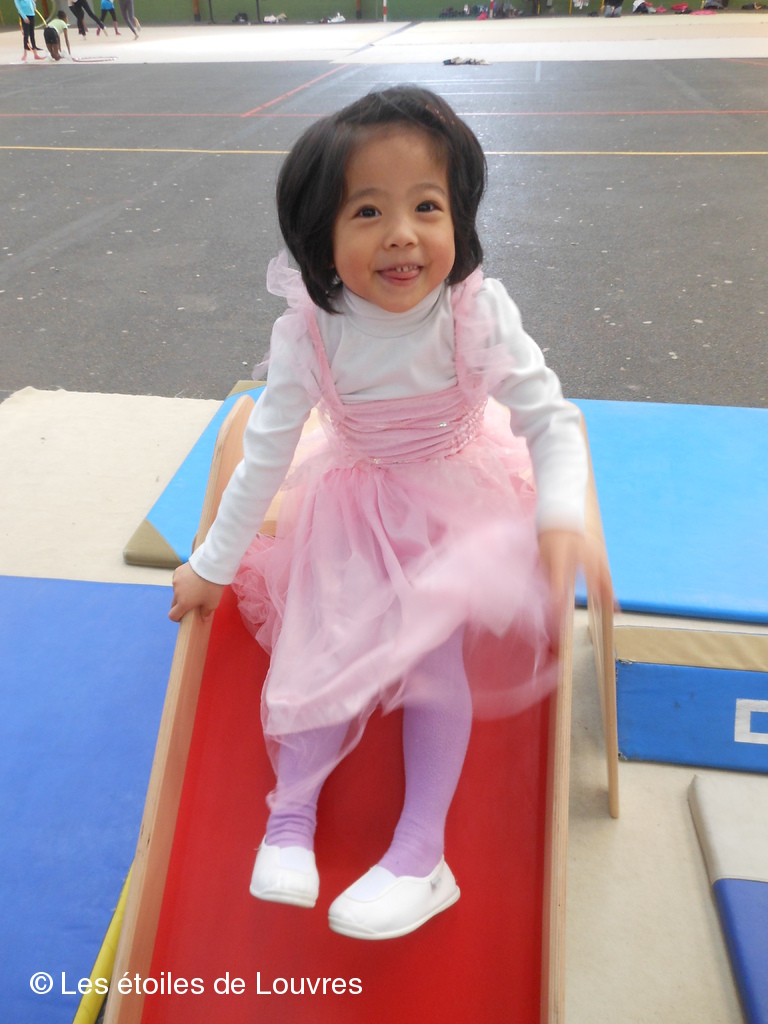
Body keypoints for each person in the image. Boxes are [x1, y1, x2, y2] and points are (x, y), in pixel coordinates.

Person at [169, 86, 610, 941]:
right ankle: (289, 821)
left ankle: (421, 853)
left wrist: (562, 517)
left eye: (427, 207)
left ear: (460, 217)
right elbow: (266, 455)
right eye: (368, 211)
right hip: (353, 500)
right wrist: (210, 567)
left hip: (458, 501)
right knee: (323, 639)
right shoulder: (311, 331)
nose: (403, 234)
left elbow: (550, 418)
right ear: (320, 235)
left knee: (431, 650)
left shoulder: (474, 312)